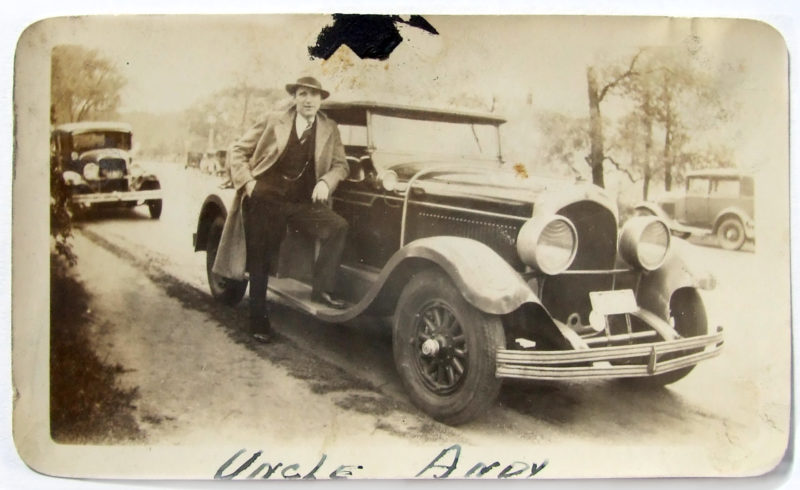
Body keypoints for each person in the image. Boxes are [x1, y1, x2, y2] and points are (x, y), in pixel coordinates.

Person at [213, 76, 350, 343]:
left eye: (314, 95)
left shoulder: (329, 127)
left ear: (321, 99)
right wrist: (249, 183)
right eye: (303, 94)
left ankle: (321, 291)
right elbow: (238, 150)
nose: (308, 100)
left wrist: (325, 181)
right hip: (266, 197)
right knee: (261, 256)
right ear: (295, 97)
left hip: (302, 202)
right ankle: (258, 322)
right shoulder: (273, 119)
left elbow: (340, 165)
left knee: (337, 227)